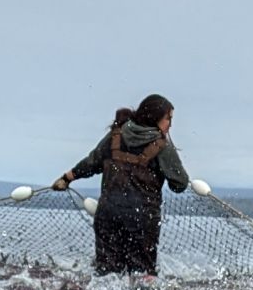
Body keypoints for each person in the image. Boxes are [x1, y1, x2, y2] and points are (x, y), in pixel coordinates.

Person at [55, 95, 188, 276]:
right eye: (168, 118)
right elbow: (179, 184)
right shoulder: (161, 146)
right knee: (142, 277)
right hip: (141, 221)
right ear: (155, 118)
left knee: (106, 274)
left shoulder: (116, 135)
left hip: (108, 216)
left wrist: (67, 178)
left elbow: (92, 162)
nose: (170, 125)